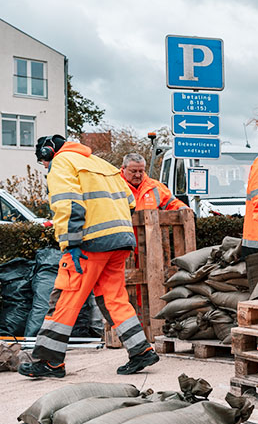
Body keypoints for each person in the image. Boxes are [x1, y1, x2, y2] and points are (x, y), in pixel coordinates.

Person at [19, 135, 160, 378]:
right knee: (113, 298)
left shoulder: (62, 162)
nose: (44, 166)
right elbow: (130, 202)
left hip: (88, 245)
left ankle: (50, 362)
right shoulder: (100, 163)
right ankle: (141, 350)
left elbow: (69, 205)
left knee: (65, 297)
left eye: (43, 161)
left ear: (48, 152)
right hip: (120, 241)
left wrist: (71, 243)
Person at [121, 153, 188, 211]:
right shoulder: (114, 186)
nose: (138, 175)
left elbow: (173, 204)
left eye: (141, 171)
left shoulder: (155, 187)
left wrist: (187, 211)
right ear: (123, 168)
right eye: (133, 171)